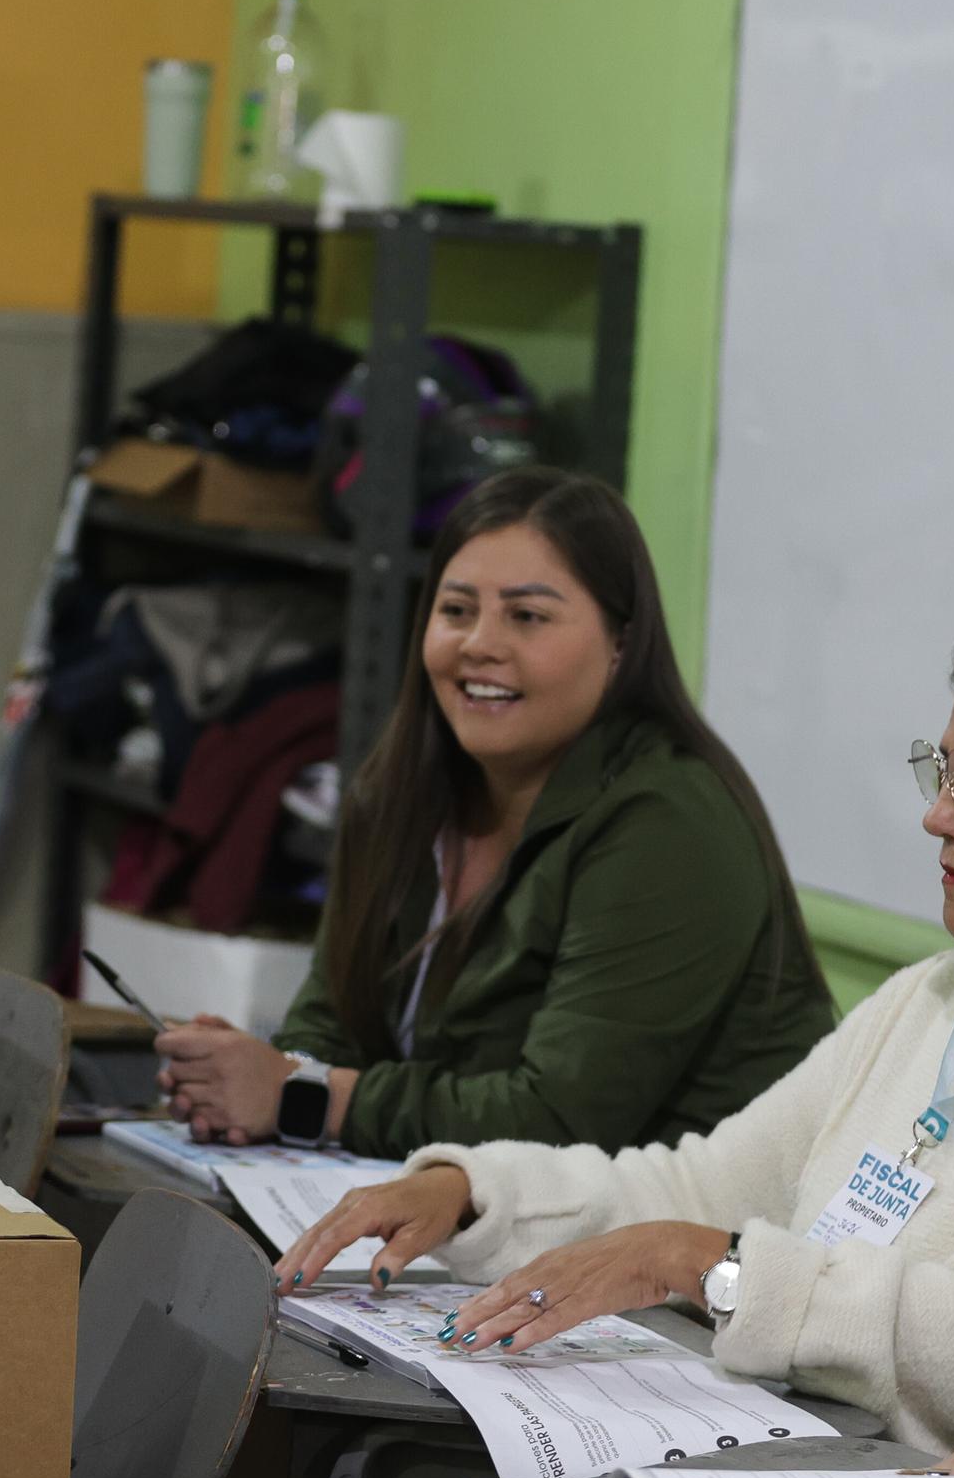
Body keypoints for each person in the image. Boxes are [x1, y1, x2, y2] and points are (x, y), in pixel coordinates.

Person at [280, 618, 954, 1457]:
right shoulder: (935, 997)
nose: (941, 818)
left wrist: (710, 1268)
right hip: (810, 1449)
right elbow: (705, 1187)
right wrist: (476, 1191)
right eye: (943, 775)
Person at [158, 465, 833, 1161]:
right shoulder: (395, 792)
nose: (479, 643)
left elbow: (558, 1122)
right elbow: (328, 1029)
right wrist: (250, 1081)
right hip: (467, 1209)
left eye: (527, 616)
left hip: (679, 1241)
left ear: (622, 645)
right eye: (455, 611)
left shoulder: (667, 821)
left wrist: (305, 1096)